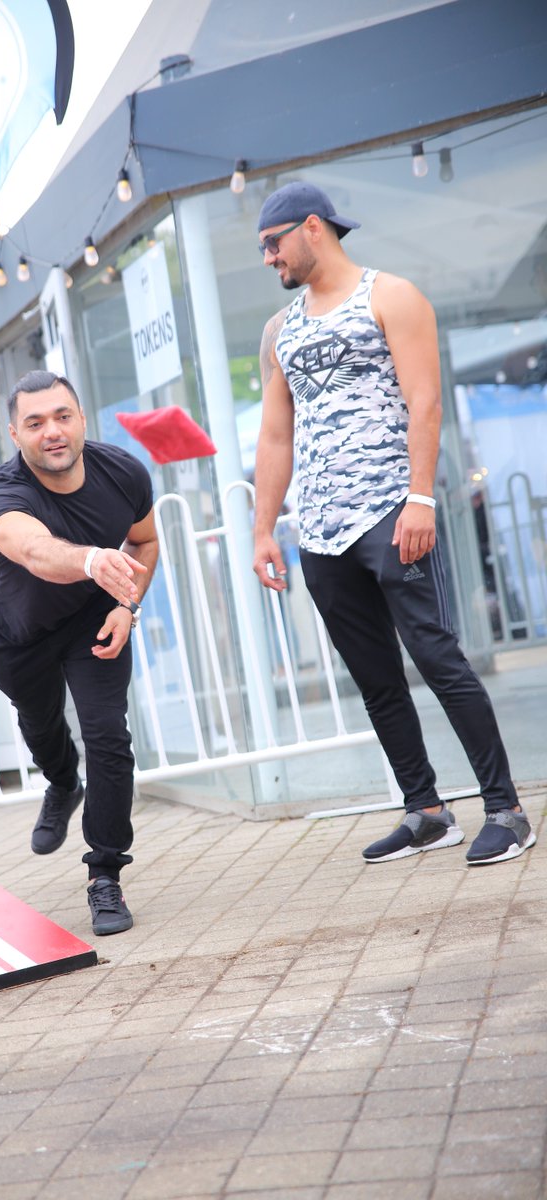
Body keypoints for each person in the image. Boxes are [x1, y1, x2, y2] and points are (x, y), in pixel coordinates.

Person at [252, 182, 534, 867]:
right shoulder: (278, 330)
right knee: (374, 676)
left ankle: (506, 809)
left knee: (437, 656)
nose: (268, 258)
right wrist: (265, 530)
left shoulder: (392, 295)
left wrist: (420, 499)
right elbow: (275, 436)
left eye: (273, 242)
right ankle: (427, 811)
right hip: (318, 529)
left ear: (312, 228)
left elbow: (425, 401)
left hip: (389, 507)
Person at [0, 370, 159, 934]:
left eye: (62, 416)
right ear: (15, 433)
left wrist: (125, 605)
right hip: (20, 631)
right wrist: (89, 562)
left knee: (109, 736)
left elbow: (145, 540)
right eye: (35, 423)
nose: (51, 431)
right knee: (40, 721)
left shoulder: (124, 471)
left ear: (82, 419)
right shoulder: (3, 496)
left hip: (93, 619)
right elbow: (31, 550)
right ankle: (61, 782)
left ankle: (105, 875)